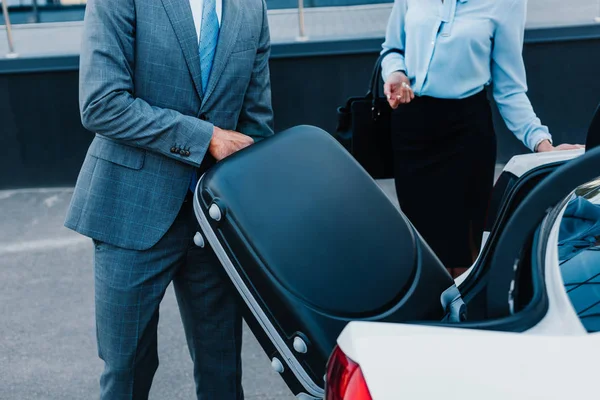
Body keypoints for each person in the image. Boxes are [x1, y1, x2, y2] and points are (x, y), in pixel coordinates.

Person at [64, 0, 274, 398]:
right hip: (130, 211)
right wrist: (207, 137)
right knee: (128, 371)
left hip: (215, 221)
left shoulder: (252, 7)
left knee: (223, 371)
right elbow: (101, 103)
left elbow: (256, 120)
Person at [380, 0, 583, 278]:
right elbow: (392, 49)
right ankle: (433, 316)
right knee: (424, 245)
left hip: (466, 135)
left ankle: (467, 316)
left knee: (466, 249)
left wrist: (543, 144)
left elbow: (509, 89)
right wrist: (396, 73)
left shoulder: (506, 3)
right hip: (412, 131)